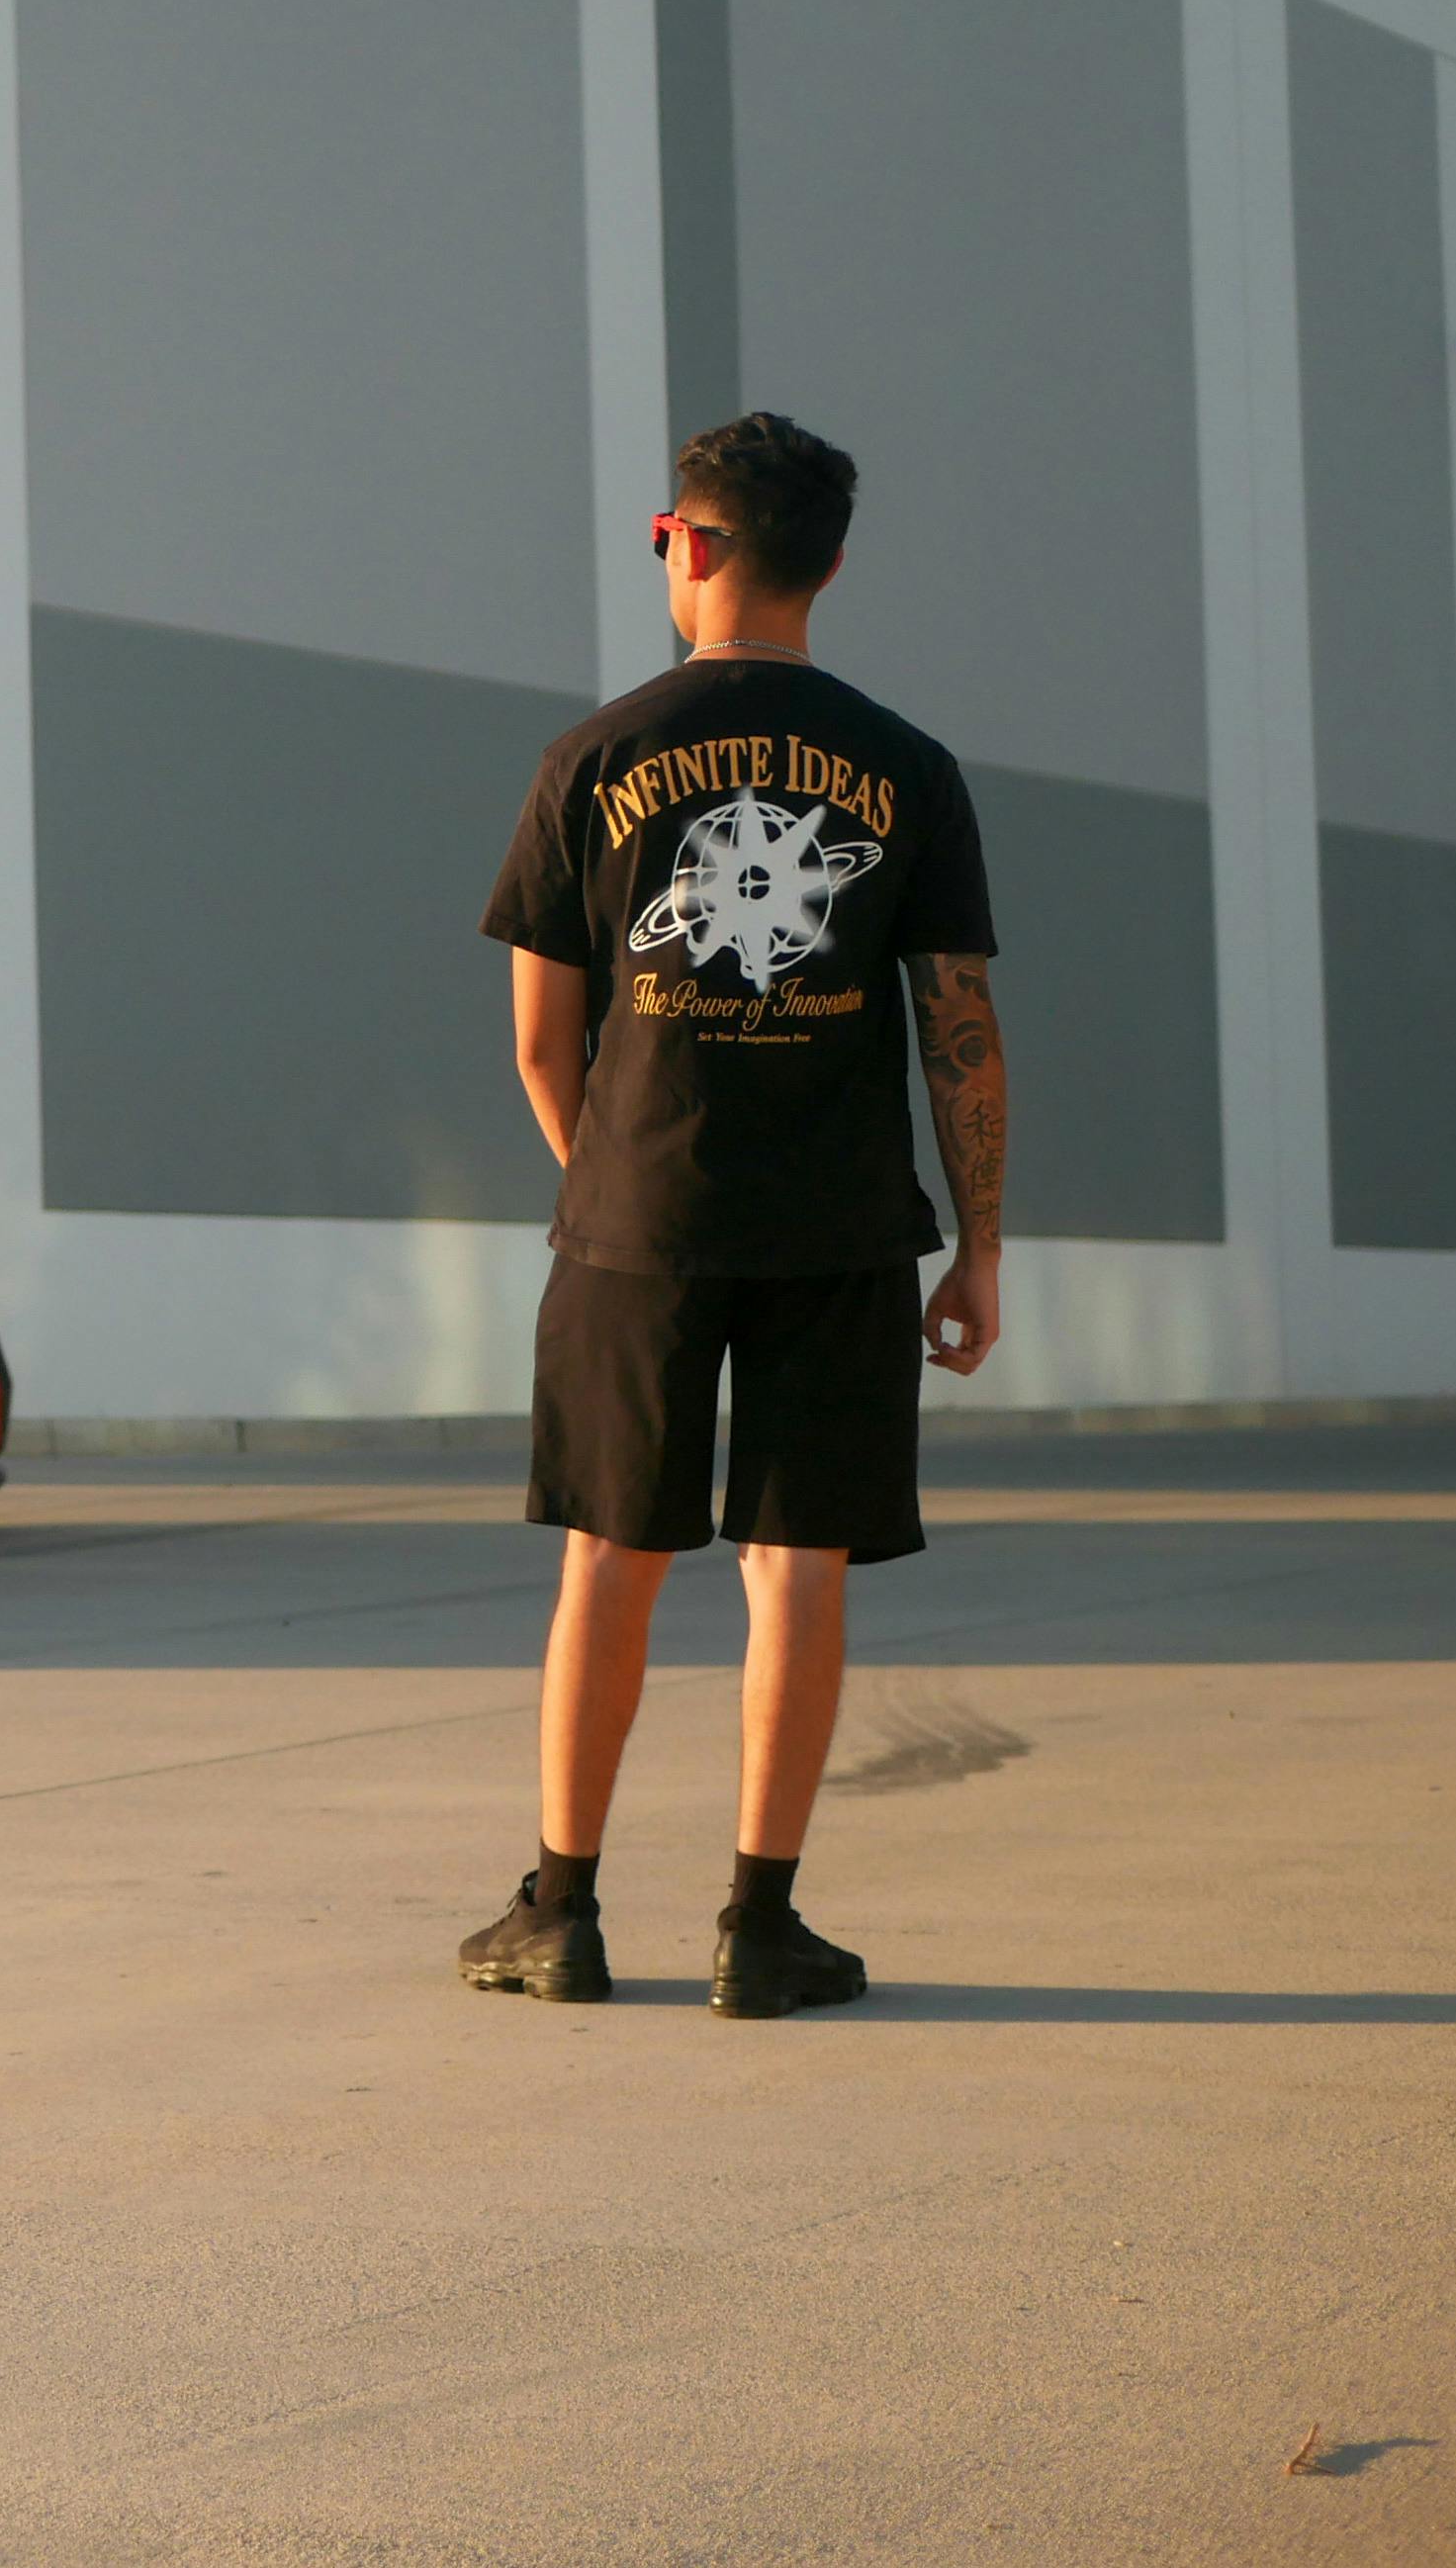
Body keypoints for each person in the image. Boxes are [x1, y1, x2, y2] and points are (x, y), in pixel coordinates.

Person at [459, 413, 1008, 2019]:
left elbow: (539, 1043)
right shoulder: (911, 770)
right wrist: (980, 1244)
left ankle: (559, 1914)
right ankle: (762, 1930)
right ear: (829, 563)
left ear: (688, 545)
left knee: (610, 1562)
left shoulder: (593, 759)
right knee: (800, 1566)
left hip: (636, 1220)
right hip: (841, 1225)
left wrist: (609, 1177)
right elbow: (957, 1023)